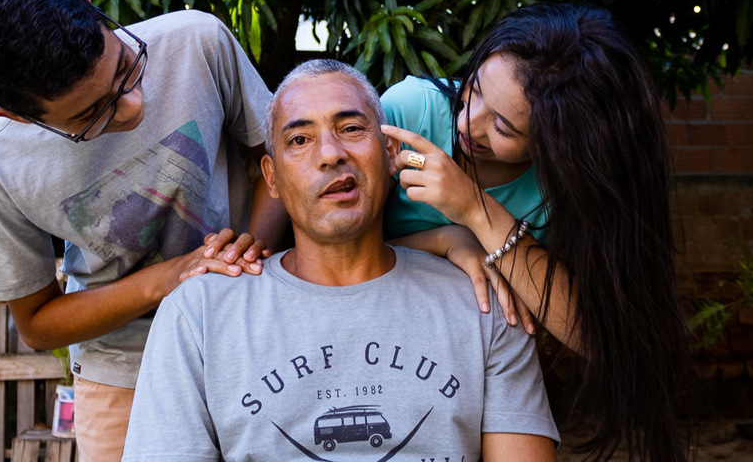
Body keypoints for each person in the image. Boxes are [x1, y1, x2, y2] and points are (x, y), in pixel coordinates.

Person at [122, 59, 559, 461]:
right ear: (271, 178)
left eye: (351, 128)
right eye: (299, 139)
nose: (330, 153)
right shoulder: (198, 315)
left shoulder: (485, 305)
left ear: (391, 155)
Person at [0, 0, 288, 462]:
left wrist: (247, 255)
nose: (132, 108)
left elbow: (277, 163)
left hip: (251, 334)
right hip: (124, 371)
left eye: (127, 68)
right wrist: (170, 277)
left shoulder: (198, 41)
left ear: (90, 4)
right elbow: (38, 324)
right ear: (17, 115)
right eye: (92, 116)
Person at [380, 2, 691, 462]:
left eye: (503, 126)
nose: (469, 123)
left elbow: (595, 334)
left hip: (467, 378)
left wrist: (475, 210)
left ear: (556, 142)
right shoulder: (412, 113)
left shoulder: (561, 188)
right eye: (476, 90)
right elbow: (320, 250)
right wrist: (445, 240)